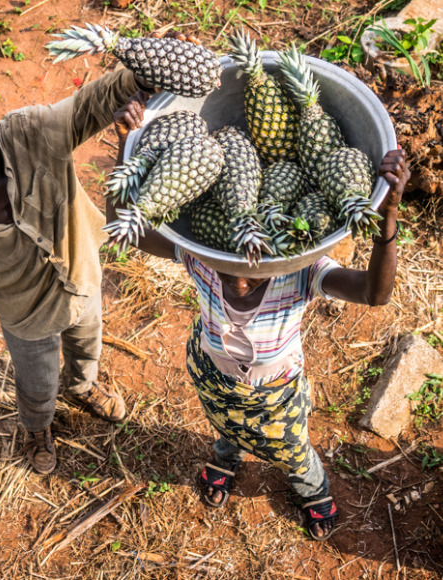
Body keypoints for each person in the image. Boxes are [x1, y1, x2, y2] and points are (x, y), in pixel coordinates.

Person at [111, 92, 410, 540]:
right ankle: (227, 455)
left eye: (255, 270)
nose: (240, 280)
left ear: (280, 257)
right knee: (224, 424)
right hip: (211, 369)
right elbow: (127, 227)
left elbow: (375, 294)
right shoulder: (200, 256)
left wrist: (389, 212)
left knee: (292, 448)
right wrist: (126, 145)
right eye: (229, 267)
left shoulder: (302, 272)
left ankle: (312, 490)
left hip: (275, 388)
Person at [0, 67, 159, 475]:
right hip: (24, 312)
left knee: (87, 348)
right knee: (37, 383)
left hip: (81, 276)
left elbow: (88, 105)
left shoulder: (30, 131)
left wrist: (141, 76)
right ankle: (37, 428)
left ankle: (82, 387)